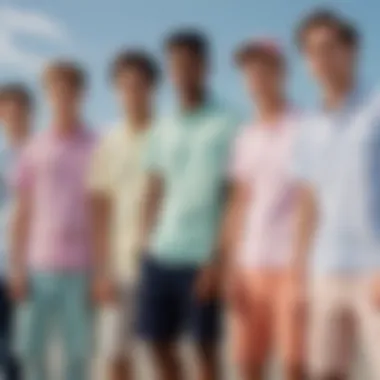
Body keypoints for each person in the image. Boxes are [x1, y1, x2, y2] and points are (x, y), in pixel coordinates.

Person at [137, 29, 239, 380]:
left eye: (189, 64)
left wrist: (219, 258)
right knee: (156, 343)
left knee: (204, 348)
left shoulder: (229, 122)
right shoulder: (163, 126)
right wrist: (143, 241)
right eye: (175, 65)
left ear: (205, 67)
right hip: (160, 252)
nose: (181, 72)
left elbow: (234, 196)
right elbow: (154, 185)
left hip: (202, 257)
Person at [292, 9, 380, 380]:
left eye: (330, 47)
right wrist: (299, 273)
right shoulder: (308, 126)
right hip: (325, 267)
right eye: (312, 52)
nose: (321, 59)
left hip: (374, 267)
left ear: (353, 50)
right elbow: (309, 201)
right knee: (325, 372)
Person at [10, 61, 97, 380]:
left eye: (69, 88)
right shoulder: (33, 148)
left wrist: (102, 270)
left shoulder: (97, 145)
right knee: (29, 350)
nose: (62, 95)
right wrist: (18, 268)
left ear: (81, 94)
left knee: (77, 355)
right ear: (47, 95)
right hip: (37, 267)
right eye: (55, 89)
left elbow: (104, 213)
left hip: (81, 268)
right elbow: (23, 212)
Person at [224, 39, 306, 380]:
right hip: (249, 265)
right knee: (248, 364)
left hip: (291, 266)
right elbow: (239, 202)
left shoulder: (305, 127)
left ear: (282, 72)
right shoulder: (245, 135)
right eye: (248, 69)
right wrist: (230, 266)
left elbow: (312, 200)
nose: (255, 75)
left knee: (294, 365)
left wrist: (303, 268)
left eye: (263, 67)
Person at [88, 50, 159, 380]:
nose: (131, 93)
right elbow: (100, 210)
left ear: (152, 88)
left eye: (138, 85)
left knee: (162, 357)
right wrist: (100, 270)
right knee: (114, 356)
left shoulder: (168, 135)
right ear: (116, 91)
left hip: (163, 263)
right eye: (124, 86)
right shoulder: (108, 141)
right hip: (118, 267)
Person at [0, 83, 33, 380]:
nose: (14, 117)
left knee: (20, 350)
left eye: (20, 110)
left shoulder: (42, 154)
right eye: (7, 110)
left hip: (32, 266)